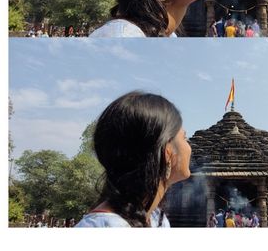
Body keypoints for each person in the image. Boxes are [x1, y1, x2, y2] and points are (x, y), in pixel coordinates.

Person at [76, 91, 191, 227]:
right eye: (184, 138)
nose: (189, 146)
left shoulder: (156, 218)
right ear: (167, 153)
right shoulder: (104, 226)